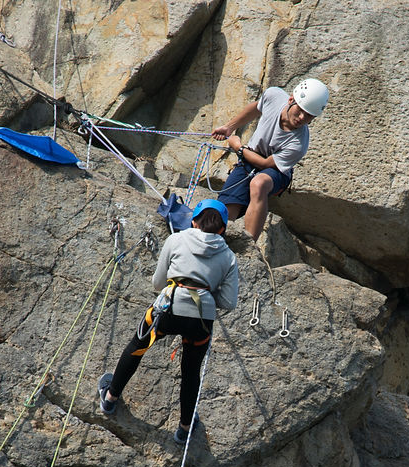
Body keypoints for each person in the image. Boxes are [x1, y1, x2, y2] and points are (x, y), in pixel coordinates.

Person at [98, 199, 239, 445]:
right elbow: (228, 302)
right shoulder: (228, 257)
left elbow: (157, 283)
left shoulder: (176, 240)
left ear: (194, 221)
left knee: (137, 347)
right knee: (191, 371)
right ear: (222, 229)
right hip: (201, 319)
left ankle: (110, 398)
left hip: (168, 308)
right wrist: (204, 290)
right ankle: (184, 427)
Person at [211, 78, 329, 241]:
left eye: (309, 116)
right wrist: (229, 127)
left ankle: (250, 246)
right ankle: (217, 242)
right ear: (291, 100)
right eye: (300, 110)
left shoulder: (298, 144)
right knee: (226, 211)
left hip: (275, 171)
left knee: (259, 183)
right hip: (248, 160)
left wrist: (238, 147)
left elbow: (265, 164)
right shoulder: (274, 96)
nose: (302, 117)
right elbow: (256, 108)